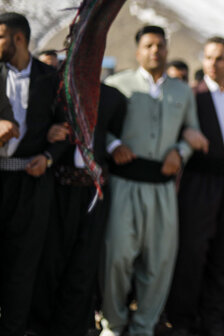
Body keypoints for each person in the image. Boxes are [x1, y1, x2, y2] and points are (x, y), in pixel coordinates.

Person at [100, 25, 204, 336]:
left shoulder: (182, 92)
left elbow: (193, 131)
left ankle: (143, 327)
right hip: (124, 185)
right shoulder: (118, 85)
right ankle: (113, 324)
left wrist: (180, 152)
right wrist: (113, 145)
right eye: (148, 45)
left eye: (160, 45)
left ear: (167, 49)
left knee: (159, 262)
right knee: (116, 257)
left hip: (162, 189)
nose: (155, 50)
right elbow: (97, 127)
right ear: (137, 51)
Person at [165, 36, 224, 336]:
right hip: (198, 184)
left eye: (219, 58)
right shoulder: (192, 96)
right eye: (208, 57)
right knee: (192, 256)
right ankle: (182, 322)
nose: (212, 63)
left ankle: (213, 322)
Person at [29, 83, 127, 336]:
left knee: (84, 263)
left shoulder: (113, 97)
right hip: (58, 188)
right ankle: (41, 325)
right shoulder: (57, 90)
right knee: (51, 259)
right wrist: (49, 134)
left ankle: (73, 327)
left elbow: (112, 133)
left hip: (94, 192)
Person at [0, 12, 70, 336]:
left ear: (18, 39)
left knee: (23, 268)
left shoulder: (50, 78)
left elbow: (64, 129)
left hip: (32, 185)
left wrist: (48, 157)